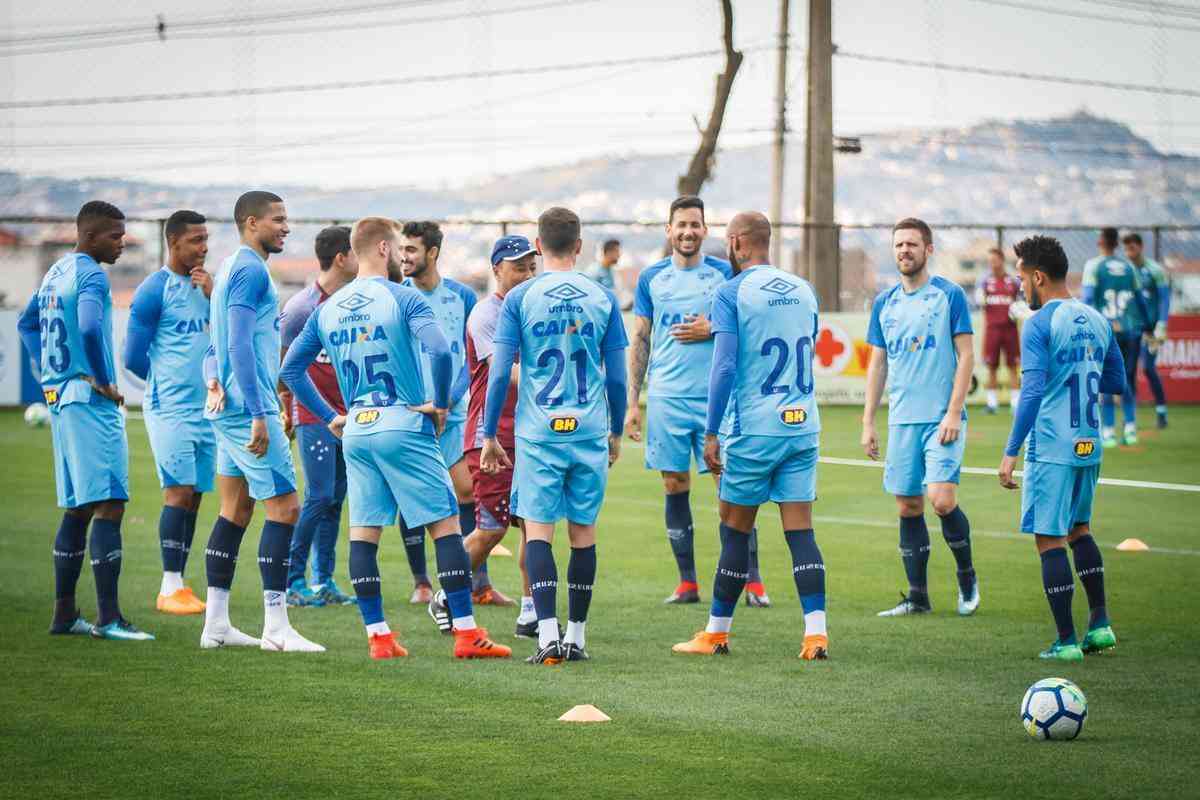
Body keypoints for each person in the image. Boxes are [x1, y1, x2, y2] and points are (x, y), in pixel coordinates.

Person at [280, 216, 511, 660]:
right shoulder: (402, 297)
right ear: (384, 249)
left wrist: (333, 416)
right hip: (403, 422)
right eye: (400, 247)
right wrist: (441, 403)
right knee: (445, 525)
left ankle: (379, 638)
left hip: (358, 429)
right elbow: (442, 350)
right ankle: (467, 634)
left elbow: (290, 369)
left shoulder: (329, 307)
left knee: (363, 535)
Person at [670, 212, 828, 660]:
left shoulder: (731, 292)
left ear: (737, 243)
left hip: (755, 429)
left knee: (735, 529)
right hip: (803, 425)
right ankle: (816, 635)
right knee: (801, 532)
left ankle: (716, 633)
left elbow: (723, 366)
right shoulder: (804, 288)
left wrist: (711, 432)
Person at [480, 206, 628, 665]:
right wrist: (616, 431)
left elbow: (501, 371)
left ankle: (546, 636)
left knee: (539, 532)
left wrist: (489, 434)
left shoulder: (521, 298)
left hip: (540, 432)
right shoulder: (601, 297)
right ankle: (578, 636)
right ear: (580, 246)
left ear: (539, 247)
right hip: (587, 430)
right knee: (583, 532)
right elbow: (619, 378)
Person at [17, 200, 153, 641]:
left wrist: (48, 370)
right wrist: (100, 378)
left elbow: (26, 324)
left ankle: (63, 615)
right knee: (110, 503)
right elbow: (93, 328)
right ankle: (108, 618)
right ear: (90, 236)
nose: (121, 242)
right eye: (115, 235)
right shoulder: (92, 274)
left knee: (78, 507)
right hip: (89, 399)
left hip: (62, 397)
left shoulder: (56, 271)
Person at [626, 196, 771, 606]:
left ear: (706, 231)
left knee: (734, 489)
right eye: (681, 225)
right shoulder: (651, 278)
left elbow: (752, 320)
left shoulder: (728, 273)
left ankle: (753, 582)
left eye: (695, 224)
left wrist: (712, 328)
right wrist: (632, 402)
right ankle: (687, 582)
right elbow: (641, 338)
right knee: (675, 485)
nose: (688, 231)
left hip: (718, 402)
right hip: (668, 400)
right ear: (669, 231)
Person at [198, 190, 321, 652]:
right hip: (249, 407)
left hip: (224, 405)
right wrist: (257, 411)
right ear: (252, 223)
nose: (286, 227)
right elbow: (239, 346)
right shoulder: (250, 269)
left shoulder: (230, 267)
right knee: (286, 508)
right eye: (278, 219)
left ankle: (216, 624)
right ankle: (276, 627)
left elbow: (217, 346)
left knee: (235, 510)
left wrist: (215, 383)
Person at [999, 235, 1123, 661]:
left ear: (1038, 277)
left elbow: (1031, 393)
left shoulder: (1039, 324)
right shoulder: (1098, 319)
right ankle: (1101, 626)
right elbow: (1116, 383)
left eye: (1021, 279)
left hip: (1051, 446)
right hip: (1090, 444)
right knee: (1080, 529)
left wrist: (1010, 451)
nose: (1019, 287)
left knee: (1049, 539)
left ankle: (1067, 641)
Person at [861, 218, 979, 618]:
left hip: (942, 418)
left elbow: (966, 355)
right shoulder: (885, 303)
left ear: (929, 250)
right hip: (902, 421)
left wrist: (952, 412)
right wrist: (868, 422)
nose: (904, 251)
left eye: (912, 244)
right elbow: (877, 364)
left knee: (941, 500)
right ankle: (917, 597)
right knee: (909, 507)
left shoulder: (950, 295)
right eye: (899, 245)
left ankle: (967, 576)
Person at [397, 221, 509, 610]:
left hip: (452, 413)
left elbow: (470, 357)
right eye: (401, 249)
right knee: (414, 500)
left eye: (412, 249)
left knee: (467, 492)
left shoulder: (461, 296)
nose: (404, 256)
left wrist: (447, 400)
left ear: (432, 252)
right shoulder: (397, 297)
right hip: (411, 413)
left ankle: (477, 583)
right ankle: (422, 583)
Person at [124, 209, 214, 616]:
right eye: (196, 240)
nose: (204, 247)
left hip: (208, 409)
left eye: (206, 239)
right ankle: (168, 585)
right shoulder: (153, 290)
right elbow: (132, 357)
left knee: (194, 495)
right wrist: (168, 385)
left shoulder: (210, 286)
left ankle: (180, 581)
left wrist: (215, 297)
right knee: (177, 491)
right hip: (172, 408)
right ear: (173, 242)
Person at [277, 225, 358, 608]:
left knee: (336, 499)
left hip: (349, 418)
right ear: (342, 258)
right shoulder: (302, 307)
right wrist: (287, 407)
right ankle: (293, 580)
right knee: (319, 495)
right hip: (315, 416)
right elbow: (285, 365)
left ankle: (323, 579)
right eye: (357, 252)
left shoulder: (351, 304)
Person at [462, 235, 539, 637]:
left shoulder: (534, 311)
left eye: (531, 266)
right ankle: (447, 595)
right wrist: (559, 382)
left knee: (534, 525)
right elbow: (504, 373)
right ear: (496, 270)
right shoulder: (485, 315)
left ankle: (530, 611)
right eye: (518, 267)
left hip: (530, 435)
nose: (527, 274)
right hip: (491, 437)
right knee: (491, 529)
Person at [1081, 227, 1152, 448]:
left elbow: (1089, 299)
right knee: (1126, 380)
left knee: (1104, 381)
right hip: (1130, 330)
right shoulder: (1129, 267)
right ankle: (1130, 428)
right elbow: (1140, 300)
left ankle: (1109, 431)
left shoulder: (1094, 266)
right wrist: (1148, 326)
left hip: (1106, 332)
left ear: (1101, 241)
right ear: (1117, 243)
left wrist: (1085, 328)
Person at [1122, 232, 1171, 429]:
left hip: (1152, 330)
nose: (1128, 252)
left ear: (1140, 247)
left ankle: (1161, 411)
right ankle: (1130, 417)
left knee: (1149, 369)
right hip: (1132, 327)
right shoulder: (1125, 271)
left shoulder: (1155, 270)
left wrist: (1162, 324)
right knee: (1130, 370)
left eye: (1131, 248)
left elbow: (1164, 298)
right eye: (1125, 249)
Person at [976, 247, 1022, 414]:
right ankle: (992, 404)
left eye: (995, 260)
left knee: (1013, 366)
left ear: (1002, 260)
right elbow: (979, 302)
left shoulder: (1013, 282)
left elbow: (1022, 302)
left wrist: (1019, 309)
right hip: (992, 329)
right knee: (991, 366)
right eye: (990, 261)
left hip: (1010, 330)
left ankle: (1016, 404)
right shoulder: (984, 282)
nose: (992, 264)